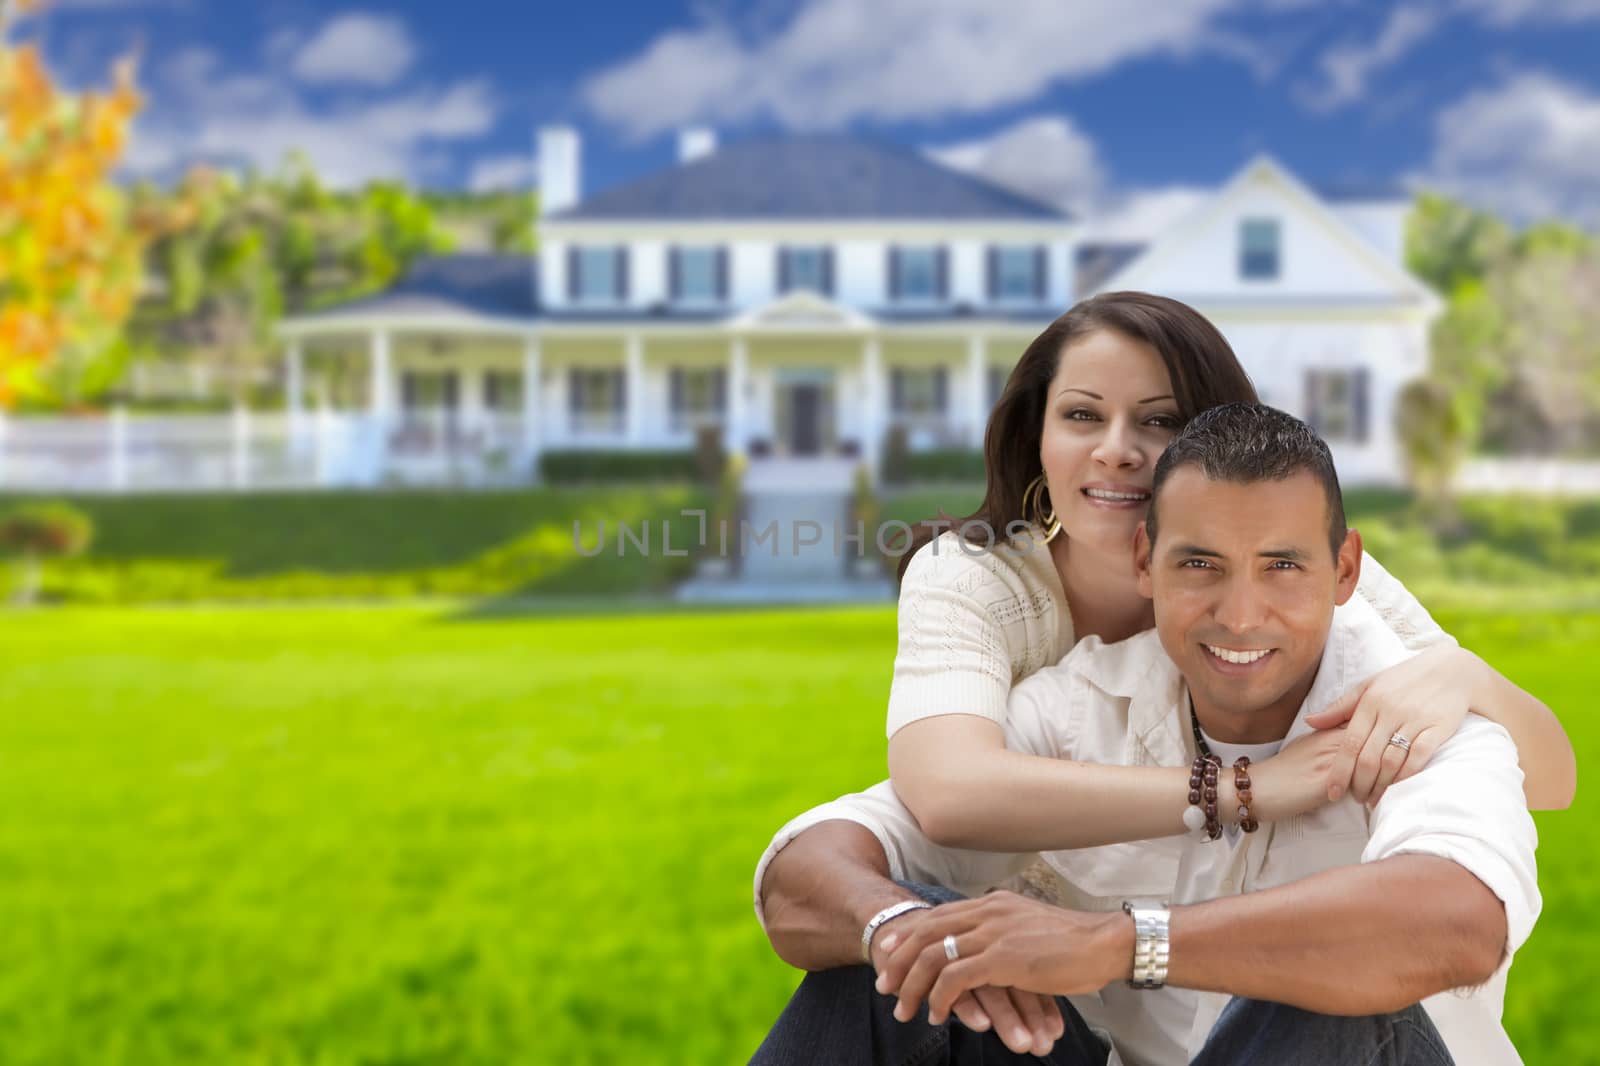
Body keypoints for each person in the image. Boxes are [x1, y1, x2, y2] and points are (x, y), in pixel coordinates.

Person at [752, 405, 1540, 1065]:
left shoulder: (1419, 714)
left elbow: (1457, 919)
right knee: (902, 963)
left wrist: (1119, 943)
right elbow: (808, 869)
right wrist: (897, 930)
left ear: (1344, 570)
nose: (1239, 614)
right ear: (1145, 560)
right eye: (1199, 563)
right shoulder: (1078, 706)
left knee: (1342, 993)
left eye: (1282, 567)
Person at [884, 292, 1573, 874]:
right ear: (1036, 435)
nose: (1117, 449)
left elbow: (1550, 779)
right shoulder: (974, 578)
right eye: (1082, 415)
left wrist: (1465, 678)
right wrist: (1244, 789)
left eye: (1159, 420)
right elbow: (947, 790)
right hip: (1027, 956)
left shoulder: (1302, 570)